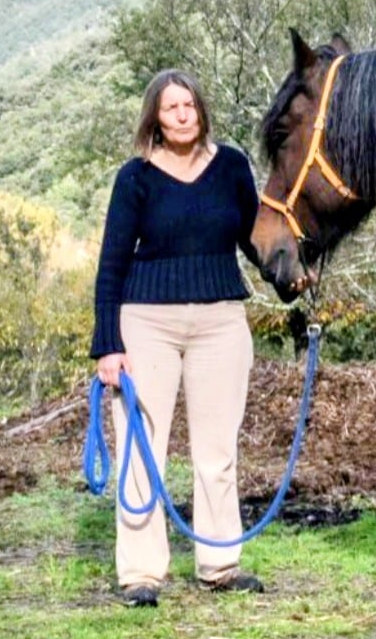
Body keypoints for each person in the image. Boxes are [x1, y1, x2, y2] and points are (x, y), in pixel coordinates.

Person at [90, 68, 263, 607]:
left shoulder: (232, 166)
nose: (183, 115)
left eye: (189, 105)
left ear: (201, 110)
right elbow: (112, 263)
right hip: (147, 325)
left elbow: (256, 240)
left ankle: (219, 563)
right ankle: (141, 573)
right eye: (171, 108)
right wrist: (107, 345)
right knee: (141, 450)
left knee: (217, 451)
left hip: (221, 322)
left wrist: (292, 275)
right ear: (156, 119)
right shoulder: (135, 177)